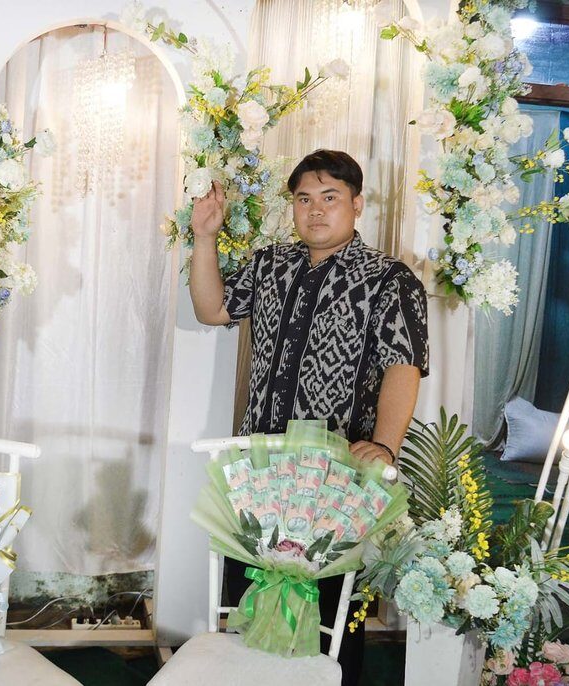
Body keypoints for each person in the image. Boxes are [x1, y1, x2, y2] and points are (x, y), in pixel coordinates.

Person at [188, 149, 428, 685]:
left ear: (357, 205)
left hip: (335, 476)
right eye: (304, 199)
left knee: (329, 614)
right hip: (260, 468)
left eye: (330, 197)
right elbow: (212, 309)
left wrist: (386, 446)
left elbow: (404, 365)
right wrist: (205, 237)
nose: (315, 210)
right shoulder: (270, 264)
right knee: (247, 595)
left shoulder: (389, 279)